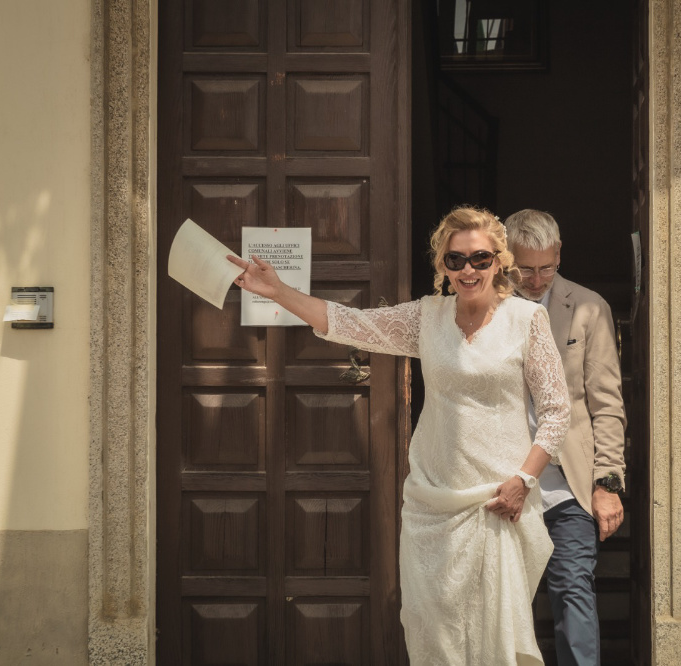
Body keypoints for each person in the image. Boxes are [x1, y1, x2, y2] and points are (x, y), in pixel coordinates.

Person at [228, 206, 570, 665]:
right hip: (432, 501)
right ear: (442, 266)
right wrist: (277, 290)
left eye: (480, 259)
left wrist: (523, 482)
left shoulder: (527, 321)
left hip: (497, 500)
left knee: (495, 635)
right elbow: (349, 323)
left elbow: (556, 411)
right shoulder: (425, 318)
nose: (468, 270)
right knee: (433, 627)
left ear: (499, 261)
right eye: (455, 260)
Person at [504, 209, 627, 666]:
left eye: (546, 268)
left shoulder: (589, 307)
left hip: (568, 486)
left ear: (559, 254)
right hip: (503, 481)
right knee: (502, 605)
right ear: (505, 257)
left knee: (574, 592)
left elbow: (606, 403)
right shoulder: (484, 306)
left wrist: (607, 483)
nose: (536, 280)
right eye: (524, 269)